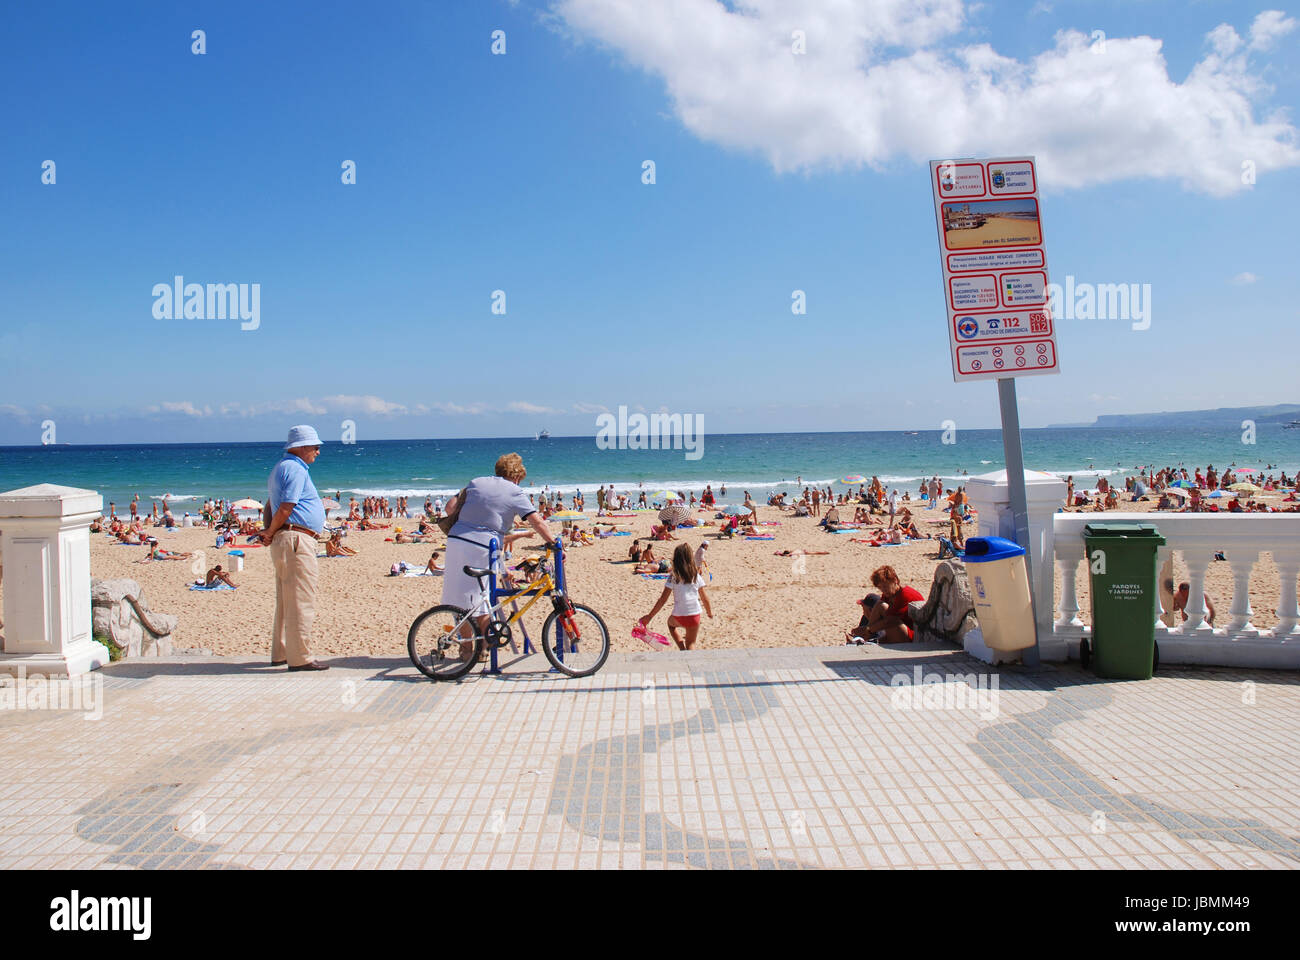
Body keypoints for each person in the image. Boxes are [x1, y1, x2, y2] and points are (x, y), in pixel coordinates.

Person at [443, 454, 557, 662]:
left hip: (456, 540)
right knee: (481, 597)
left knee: (462, 600)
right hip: (483, 546)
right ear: (516, 476)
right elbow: (537, 522)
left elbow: (450, 507)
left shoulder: (476, 483)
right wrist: (554, 543)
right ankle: (484, 649)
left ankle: (467, 650)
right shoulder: (514, 491)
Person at [261, 425, 329, 671]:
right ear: (300, 447)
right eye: (315, 447)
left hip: (285, 539)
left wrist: (268, 531)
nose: (317, 452)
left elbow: (271, 504)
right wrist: (269, 531)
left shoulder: (280, 468)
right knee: (301, 599)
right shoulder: (296, 469)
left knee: (285, 599)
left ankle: (280, 652)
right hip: (297, 539)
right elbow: (286, 507)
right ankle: (300, 657)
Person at [639, 543, 712, 650]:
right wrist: (709, 612)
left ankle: (681, 648)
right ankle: (689, 656)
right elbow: (705, 598)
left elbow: (663, 599)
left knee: (671, 625)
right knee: (691, 643)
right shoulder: (695, 575)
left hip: (679, 615)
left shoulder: (673, 577)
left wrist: (650, 616)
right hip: (695, 614)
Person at [861, 565, 924, 643]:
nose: (883, 590)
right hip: (897, 631)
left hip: (914, 635)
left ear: (895, 580)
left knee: (892, 621)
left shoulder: (905, 595)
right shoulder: (889, 595)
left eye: (885, 586)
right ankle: (865, 636)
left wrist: (870, 630)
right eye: (880, 587)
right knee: (880, 605)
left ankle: (866, 633)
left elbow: (891, 621)